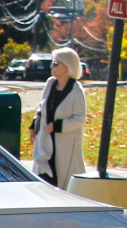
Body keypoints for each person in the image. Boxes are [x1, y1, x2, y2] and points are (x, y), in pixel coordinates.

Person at [29, 46, 87, 189]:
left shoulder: (76, 90)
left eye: (55, 64)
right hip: (45, 140)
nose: (51, 67)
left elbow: (80, 118)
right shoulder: (50, 83)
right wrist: (34, 126)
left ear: (67, 66)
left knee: (62, 179)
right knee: (42, 175)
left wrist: (57, 126)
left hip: (65, 143)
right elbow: (41, 107)